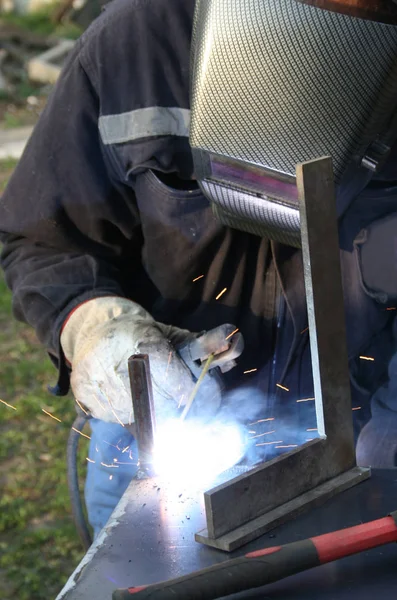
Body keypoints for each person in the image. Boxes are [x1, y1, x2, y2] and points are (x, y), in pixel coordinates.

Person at [1, 0, 396, 538]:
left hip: (368, 423)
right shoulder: (138, 43)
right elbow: (43, 238)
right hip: (164, 426)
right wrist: (94, 325)